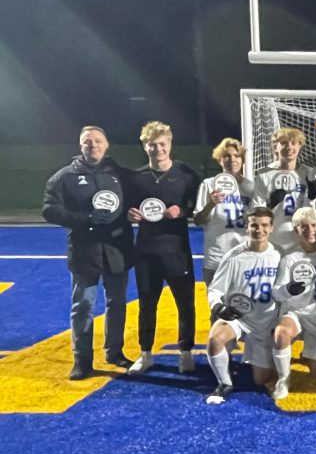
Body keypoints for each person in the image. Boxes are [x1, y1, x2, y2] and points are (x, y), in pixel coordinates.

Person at [42, 125, 133, 379]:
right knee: (83, 306)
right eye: (87, 142)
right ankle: (82, 360)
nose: (93, 145)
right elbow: (49, 210)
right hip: (84, 252)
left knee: (117, 304)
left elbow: (136, 198)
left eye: (97, 141)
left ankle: (114, 351)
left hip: (117, 250)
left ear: (107, 145)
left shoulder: (120, 175)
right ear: (80, 146)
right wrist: (85, 219)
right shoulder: (64, 177)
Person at [124, 121, 200, 376]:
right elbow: (126, 208)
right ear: (145, 146)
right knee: (146, 303)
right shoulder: (136, 178)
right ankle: (145, 354)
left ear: (170, 144)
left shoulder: (187, 175)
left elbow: (199, 209)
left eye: (162, 144)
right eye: (152, 144)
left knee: (185, 303)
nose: (158, 149)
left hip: (177, 250)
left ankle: (186, 352)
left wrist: (183, 211)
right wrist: (130, 215)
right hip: (146, 251)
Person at [204, 207, 281, 404]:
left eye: (264, 225)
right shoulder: (234, 256)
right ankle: (224, 383)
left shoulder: (280, 256)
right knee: (215, 339)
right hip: (237, 317)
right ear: (247, 227)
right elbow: (214, 290)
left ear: (272, 228)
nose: (259, 230)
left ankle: (262, 357)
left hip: (265, 322)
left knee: (261, 379)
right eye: (254, 225)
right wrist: (219, 308)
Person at [270, 207, 316, 400]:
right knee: (281, 332)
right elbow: (277, 293)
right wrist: (288, 289)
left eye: (314, 225)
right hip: (296, 312)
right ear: (295, 230)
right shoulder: (290, 259)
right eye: (303, 226)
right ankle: (283, 379)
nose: (310, 230)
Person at [193, 138, 254, 286]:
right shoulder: (209, 184)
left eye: (236, 155)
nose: (232, 159)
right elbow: (198, 220)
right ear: (220, 160)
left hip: (244, 257)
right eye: (227, 156)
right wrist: (211, 204)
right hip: (217, 258)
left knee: (243, 306)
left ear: (242, 160)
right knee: (217, 307)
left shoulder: (251, 187)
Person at [252, 127, 313, 253]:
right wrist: (270, 205)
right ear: (275, 147)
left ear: (300, 146)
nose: (289, 147)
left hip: (301, 240)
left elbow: (313, 211)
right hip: (274, 240)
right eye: (284, 143)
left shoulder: (309, 174)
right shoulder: (264, 174)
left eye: (294, 143)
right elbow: (256, 211)